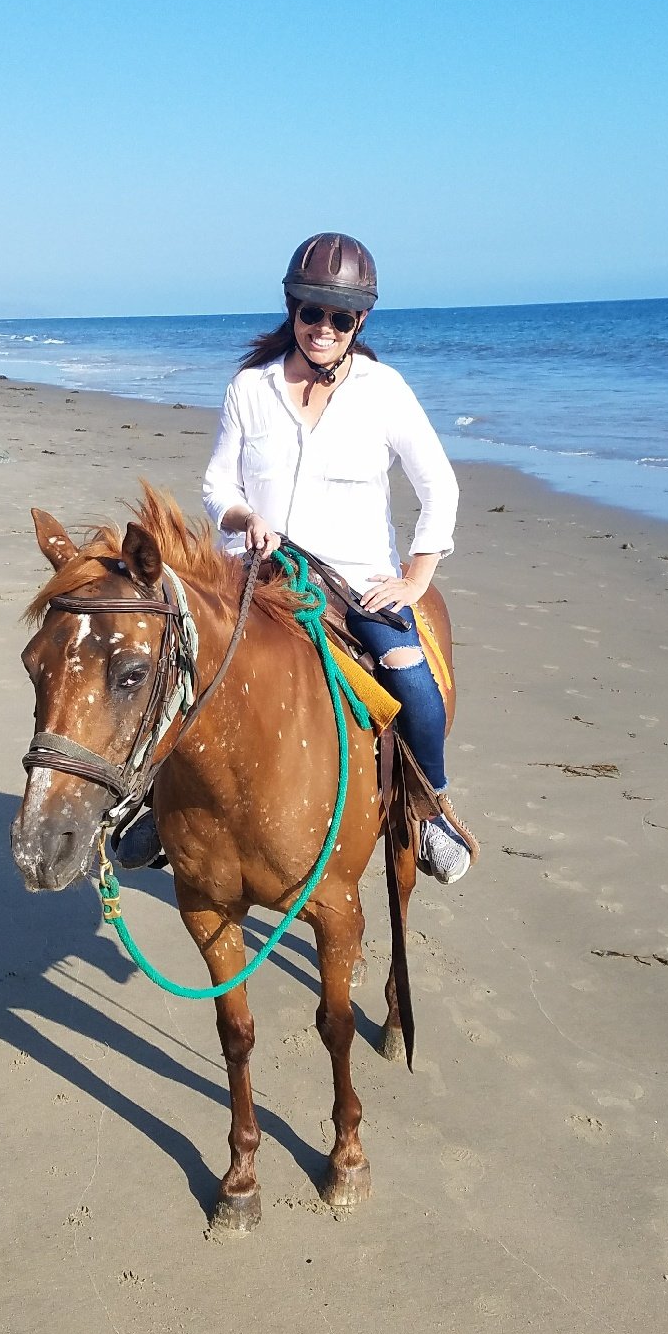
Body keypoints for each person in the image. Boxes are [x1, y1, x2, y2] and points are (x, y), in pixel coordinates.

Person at [201, 232, 472, 882]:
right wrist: (243, 517)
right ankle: (157, 800)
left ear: (361, 321)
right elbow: (218, 486)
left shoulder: (385, 391)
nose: (323, 327)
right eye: (311, 312)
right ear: (292, 308)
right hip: (257, 574)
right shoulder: (250, 389)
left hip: (354, 582)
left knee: (412, 679)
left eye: (340, 317)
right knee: (180, 656)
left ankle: (429, 804)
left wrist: (414, 578)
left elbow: (439, 486)